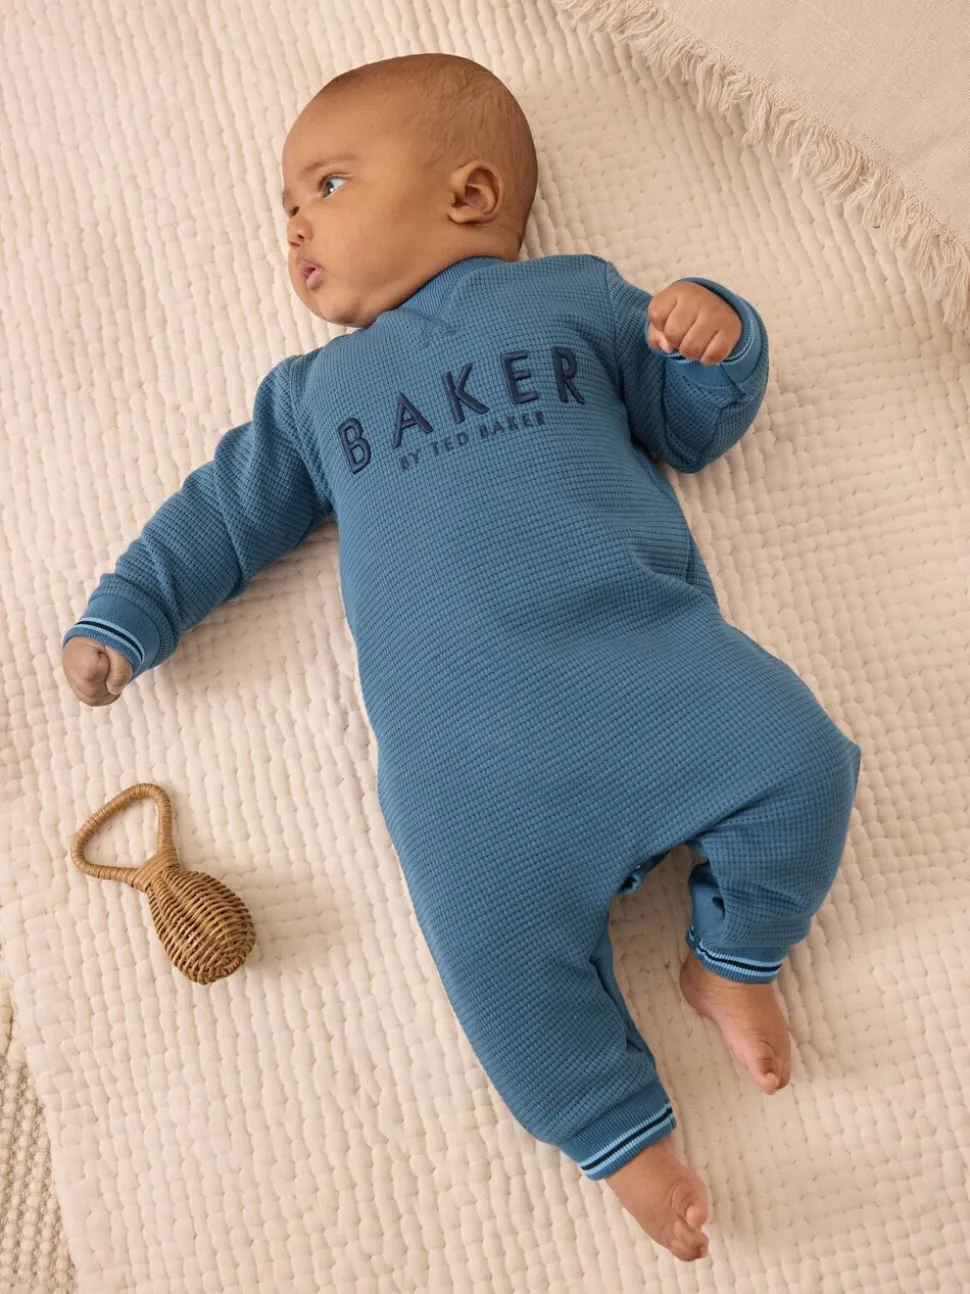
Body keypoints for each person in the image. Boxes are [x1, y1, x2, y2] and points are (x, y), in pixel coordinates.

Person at [61, 52, 862, 1263]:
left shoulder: (574, 299)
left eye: (327, 184)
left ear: (470, 193)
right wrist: (127, 613)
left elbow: (691, 427)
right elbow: (222, 515)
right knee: (492, 965)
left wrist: (715, 337)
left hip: (649, 670)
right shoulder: (315, 396)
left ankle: (732, 956)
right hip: (467, 768)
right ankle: (617, 1133)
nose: (295, 225)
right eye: (285, 206)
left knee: (802, 760)